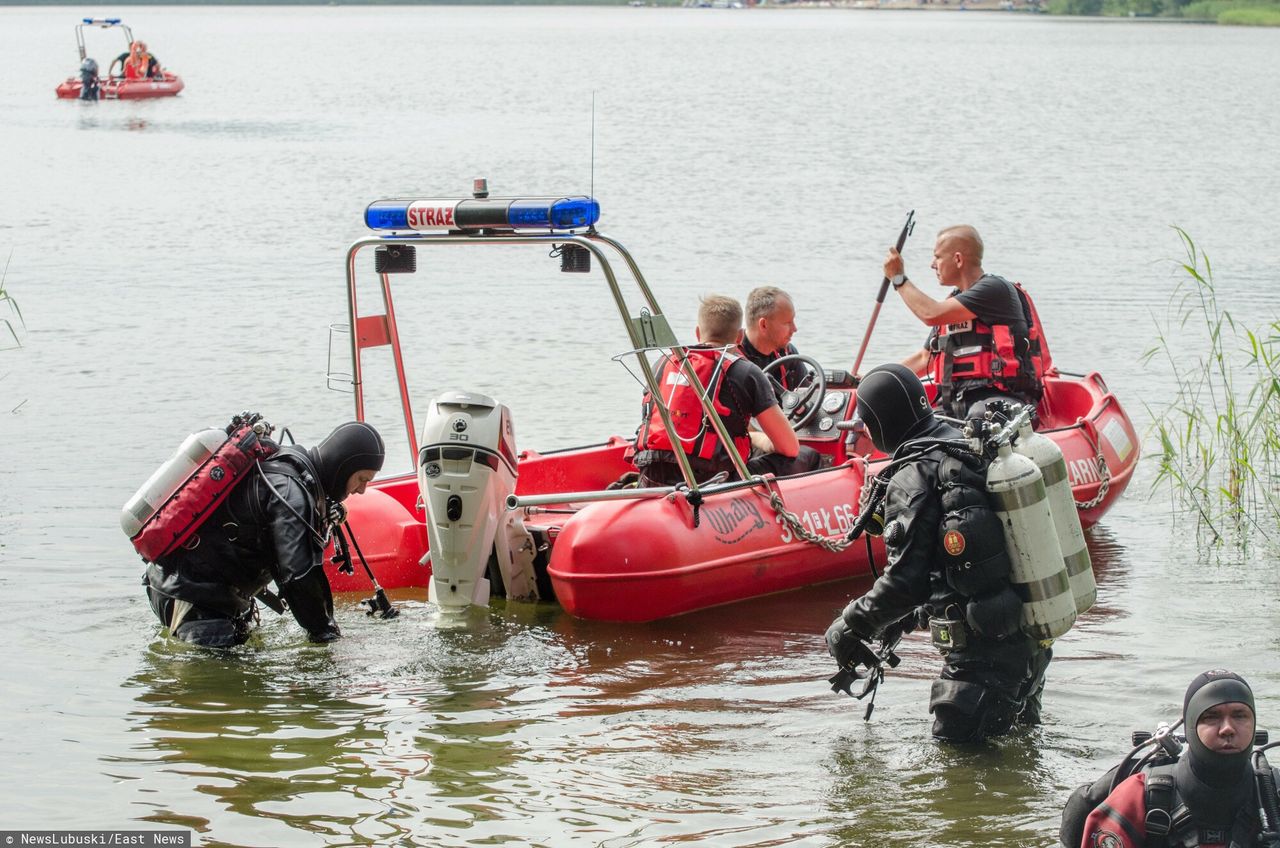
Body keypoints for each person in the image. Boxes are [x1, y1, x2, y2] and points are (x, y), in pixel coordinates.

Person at [824, 363, 1051, 742]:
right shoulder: (963, 445)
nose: (864, 429)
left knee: (961, 774)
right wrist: (911, 616)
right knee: (1019, 754)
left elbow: (904, 581)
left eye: (865, 421)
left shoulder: (913, 475)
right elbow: (971, 554)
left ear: (881, 423)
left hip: (980, 661)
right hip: (1026, 640)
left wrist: (849, 625)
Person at [143, 421, 385, 648]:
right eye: (361, 478)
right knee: (222, 687)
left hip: (191, 590)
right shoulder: (292, 497)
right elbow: (299, 576)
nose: (362, 490)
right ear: (342, 466)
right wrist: (327, 635)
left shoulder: (291, 470)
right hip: (194, 598)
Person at [1063, 670, 1274, 848]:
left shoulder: (1273, 793)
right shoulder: (1141, 796)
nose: (1227, 728)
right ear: (1190, 728)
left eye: (1239, 715)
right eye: (1212, 716)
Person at [633, 294, 820, 487]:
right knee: (809, 455)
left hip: (652, 475)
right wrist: (761, 441)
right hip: (712, 480)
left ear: (698, 333)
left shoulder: (662, 365)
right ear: (739, 336)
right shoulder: (747, 373)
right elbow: (790, 448)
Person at [883, 224, 1048, 420]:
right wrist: (880, 377)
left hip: (1002, 401)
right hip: (956, 404)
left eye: (937, 257)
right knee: (911, 426)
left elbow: (930, 314)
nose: (932, 264)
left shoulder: (994, 290)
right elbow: (923, 358)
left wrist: (899, 278)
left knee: (979, 417)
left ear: (958, 259)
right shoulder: (954, 302)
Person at [741, 286, 807, 396]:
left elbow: (807, 394)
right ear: (763, 325)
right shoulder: (733, 361)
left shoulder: (789, 354)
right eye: (787, 323)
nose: (795, 329)